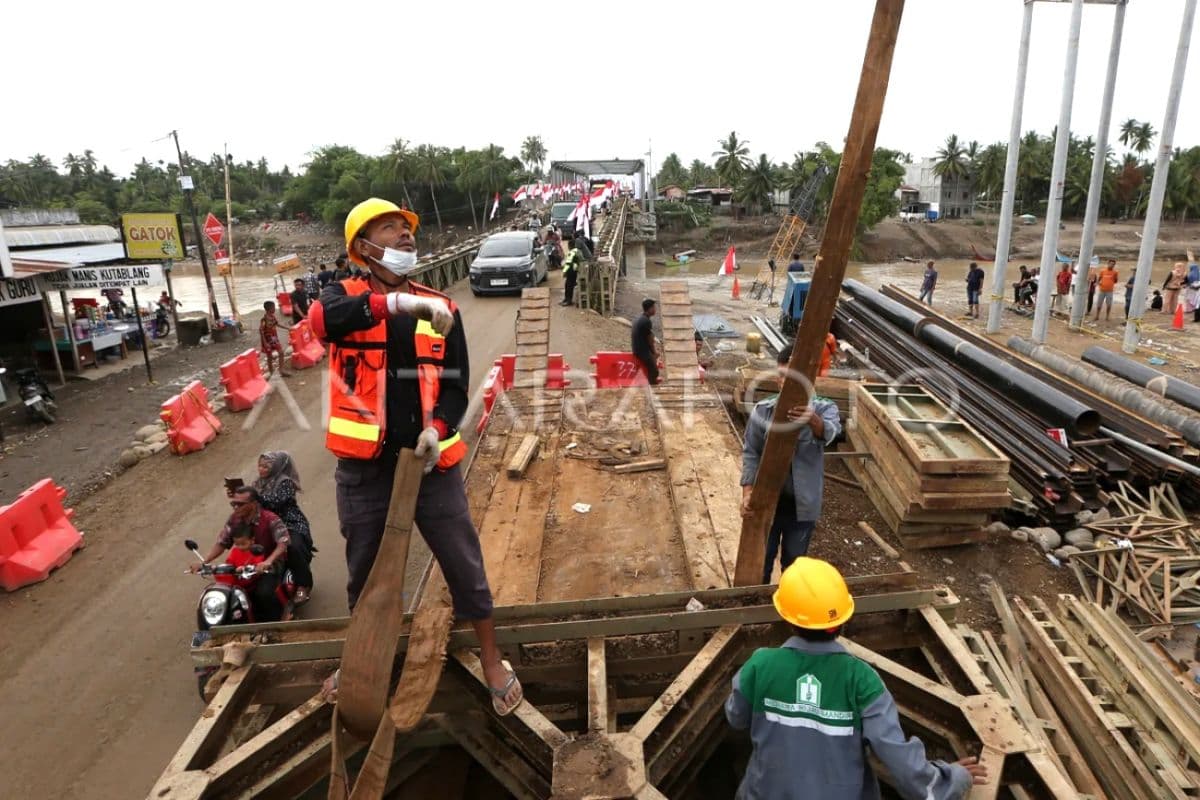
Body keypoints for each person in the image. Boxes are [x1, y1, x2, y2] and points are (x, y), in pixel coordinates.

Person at [308, 197, 522, 715]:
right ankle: (363, 660)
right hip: (365, 470)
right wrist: (401, 305)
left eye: (408, 230)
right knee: (366, 573)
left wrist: (439, 428)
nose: (407, 237)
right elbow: (320, 321)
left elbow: (455, 387)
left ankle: (492, 659)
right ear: (363, 247)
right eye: (391, 228)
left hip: (430, 468)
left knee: (464, 564)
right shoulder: (343, 297)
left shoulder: (442, 308)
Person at [725, 557, 988, 799]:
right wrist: (952, 779)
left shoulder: (760, 666)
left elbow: (736, 717)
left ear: (788, 619)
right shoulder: (862, 681)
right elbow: (899, 761)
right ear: (842, 619)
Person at [740, 344, 842, 583]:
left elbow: (830, 432)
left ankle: (790, 602)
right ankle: (759, 602)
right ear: (778, 379)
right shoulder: (763, 411)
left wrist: (812, 420)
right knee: (760, 562)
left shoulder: (825, 408)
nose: (789, 384)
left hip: (802, 506)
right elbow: (751, 453)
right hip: (767, 504)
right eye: (785, 377)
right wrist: (748, 493)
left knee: (795, 565)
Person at [190, 487, 293, 622]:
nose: (235, 507)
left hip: (270, 563)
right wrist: (205, 562)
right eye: (233, 504)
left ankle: (276, 622)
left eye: (240, 504)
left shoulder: (270, 518)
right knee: (226, 592)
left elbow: (283, 542)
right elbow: (222, 542)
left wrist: (268, 561)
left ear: (254, 504)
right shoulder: (234, 519)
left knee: (264, 593)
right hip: (243, 564)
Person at [253, 451, 315, 604]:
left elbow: (277, 501)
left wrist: (256, 497)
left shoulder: (285, 482)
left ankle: (303, 585)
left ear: (276, 467)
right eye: (259, 466)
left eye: (266, 467)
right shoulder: (257, 483)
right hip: (266, 524)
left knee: (293, 547)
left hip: (290, 523)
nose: (261, 470)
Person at [214, 526, 267, 594]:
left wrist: (246, 568)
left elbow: (258, 565)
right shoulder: (235, 551)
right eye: (237, 544)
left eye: (243, 544)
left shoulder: (256, 551)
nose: (240, 547)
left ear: (252, 540)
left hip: (251, 585)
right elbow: (229, 562)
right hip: (234, 584)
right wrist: (216, 568)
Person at [631, 298, 660, 385]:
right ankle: (651, 391)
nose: (655, 309)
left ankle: (650, 387)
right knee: (654, 371)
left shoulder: (639, 318)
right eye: (654, 307)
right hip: (642, 351)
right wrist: (654, 352)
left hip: (636, 349)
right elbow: (650, 340)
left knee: (652, 368)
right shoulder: (646, 321)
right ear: (650, 309)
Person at [260, 300, 292, 377]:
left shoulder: (273, 317)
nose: (275, 309)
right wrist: (265, 343)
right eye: (274, 307)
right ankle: (271, 373)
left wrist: (287, 328)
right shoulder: (263, 320)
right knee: (269, 356)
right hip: (267, 340)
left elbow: (277, 324)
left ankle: (281, 370)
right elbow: (261, 331)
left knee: (281, 352)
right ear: (269, 309)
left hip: (274, 338)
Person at [561, 241, 583, 307]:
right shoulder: (577, 251)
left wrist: (564, 272)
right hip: (575, 270)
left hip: (571, 271)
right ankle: (566, 299)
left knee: (568, 285)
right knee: (568, 285)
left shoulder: (572, 252)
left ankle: (568, 300)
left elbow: (568, 263)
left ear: (570, 246)